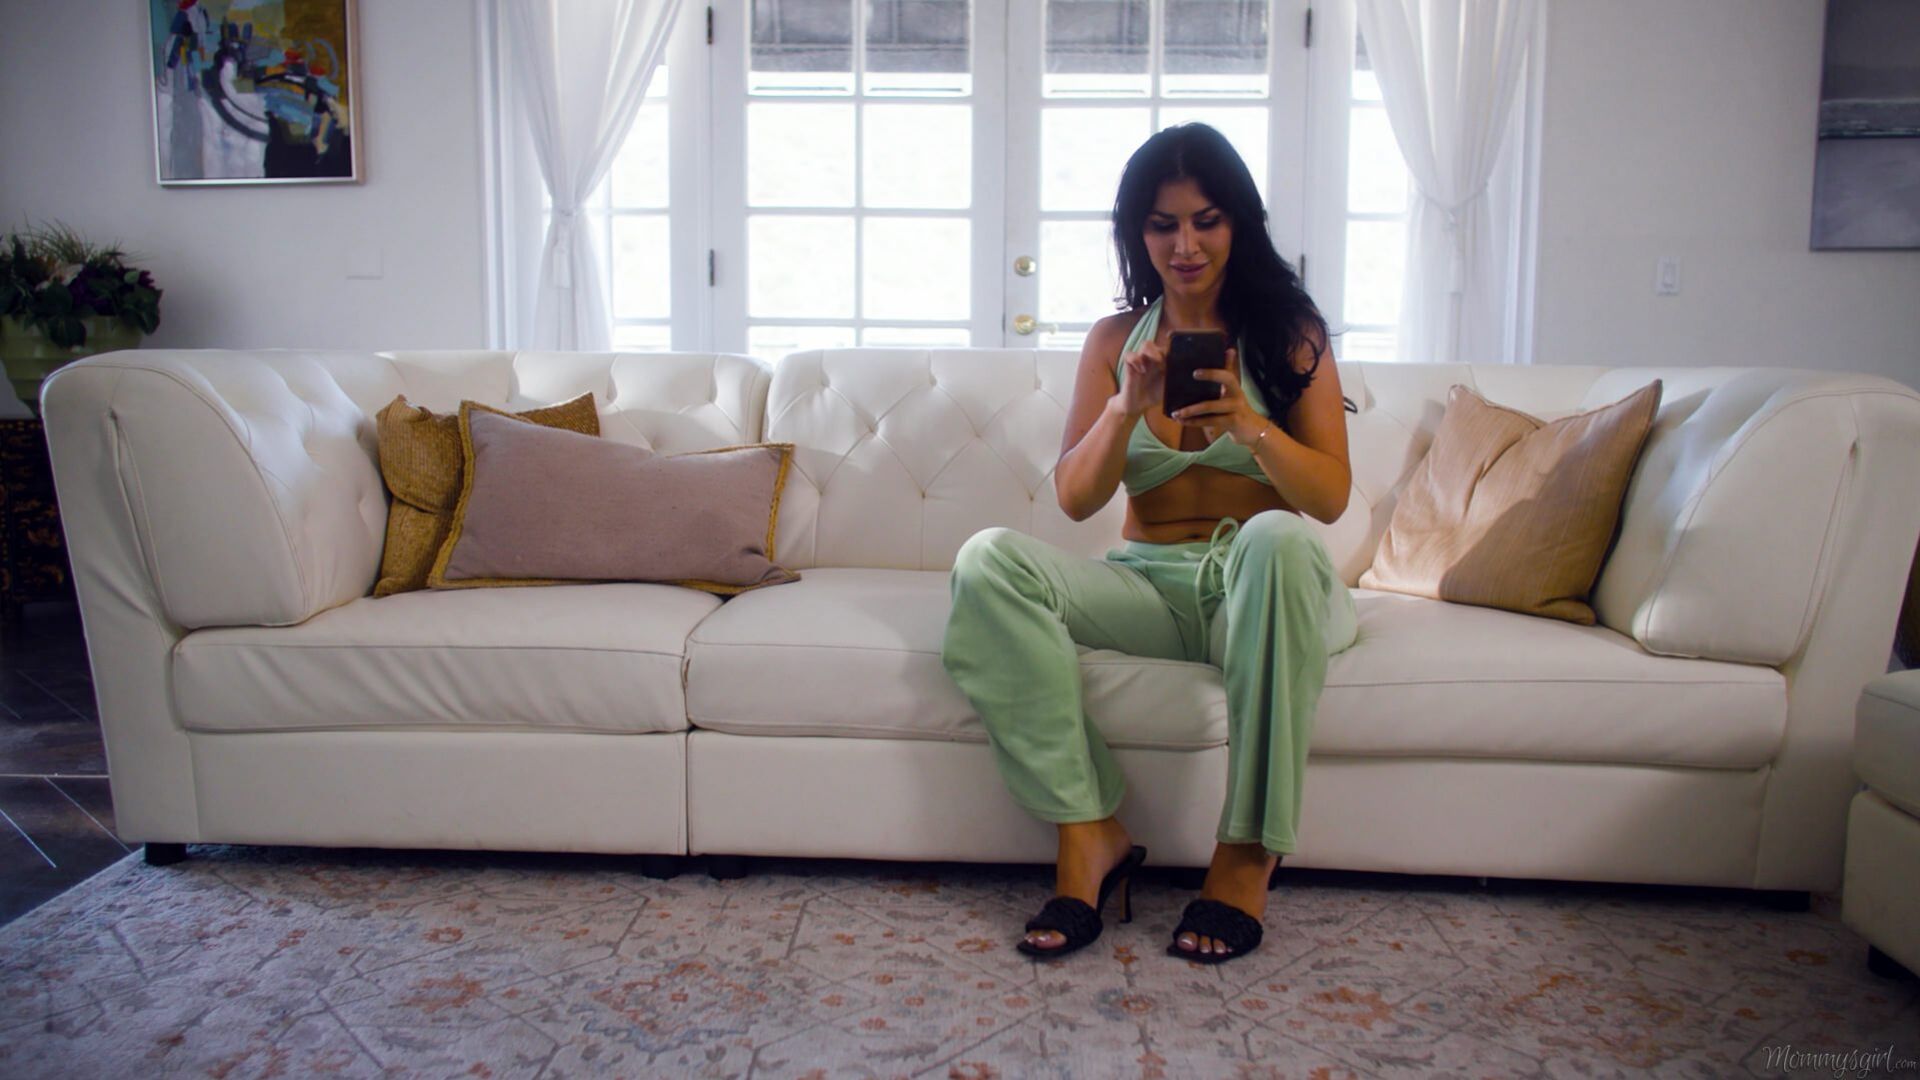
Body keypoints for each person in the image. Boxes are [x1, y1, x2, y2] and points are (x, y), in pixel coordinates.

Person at [941, 122, 1359, 965]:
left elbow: (1330, 498)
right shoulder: (1113, 342)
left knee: (1275, 536)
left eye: (1206, 220)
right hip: (1152, 588)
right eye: (1163, 225)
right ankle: (1088, 830)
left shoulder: (1291, 334)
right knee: (987, 559)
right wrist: (1122, 409)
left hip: (1263, 591)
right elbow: (1075, 500)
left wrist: (1250, 426)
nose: (1185, 245)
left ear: (1238, 224)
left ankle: (1247, 853)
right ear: (1138, 233)